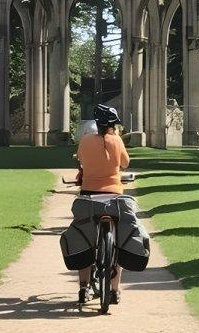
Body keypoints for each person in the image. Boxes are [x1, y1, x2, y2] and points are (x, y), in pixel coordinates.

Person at [75, 104, 130, 304]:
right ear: (113, 125)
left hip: (89, 195)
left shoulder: (86, 140)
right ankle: (115, 290)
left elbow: (81, 160)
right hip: (114, 195)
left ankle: (83, 287)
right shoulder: (117, 141)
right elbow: (124, 164)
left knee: (85, 241)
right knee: (119, 241)